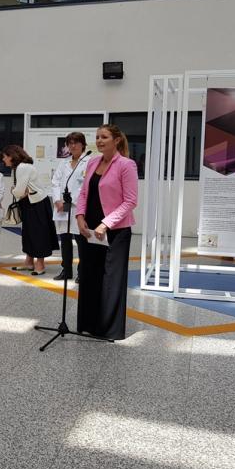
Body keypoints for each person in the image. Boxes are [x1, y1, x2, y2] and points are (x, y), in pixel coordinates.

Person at [75, 124, 138, 341]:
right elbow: (83, 193)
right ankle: (88, 324)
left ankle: (108, 329)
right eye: (97, 137)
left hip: (114, 231)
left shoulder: (126, 165)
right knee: (89, 276)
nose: (100, 141)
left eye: (104, 137)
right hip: (90, 230)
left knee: (110, 280)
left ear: (117, 140)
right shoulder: (93, 162)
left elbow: (130, 201)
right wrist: (80, 217)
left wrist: (106, 224)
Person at [1, 144, 59, 275]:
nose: (3, 160)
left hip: (37, 204)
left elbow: (18, 191)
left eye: (5, 157)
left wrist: (16, 191)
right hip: (29, 203)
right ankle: (28, 262)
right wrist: (18, 191)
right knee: (28, 233)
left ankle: (40, 265)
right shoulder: (17, 168)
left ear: (11, 156)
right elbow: (19, 191)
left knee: (38, 234)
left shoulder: (23, 167)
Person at [50, 131, 93, 282]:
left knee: (81, 240)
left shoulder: (88, 162)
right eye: (70, 143)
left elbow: (87, 186)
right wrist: (57, 200)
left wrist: (72, 200)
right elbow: (55, 182)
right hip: (62, 207)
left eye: (76, 142)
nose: (73, 146)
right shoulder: (63, 163)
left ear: (83, 144)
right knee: (65, 239)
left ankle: (83, 272)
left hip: (77, 207)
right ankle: (66, 270)